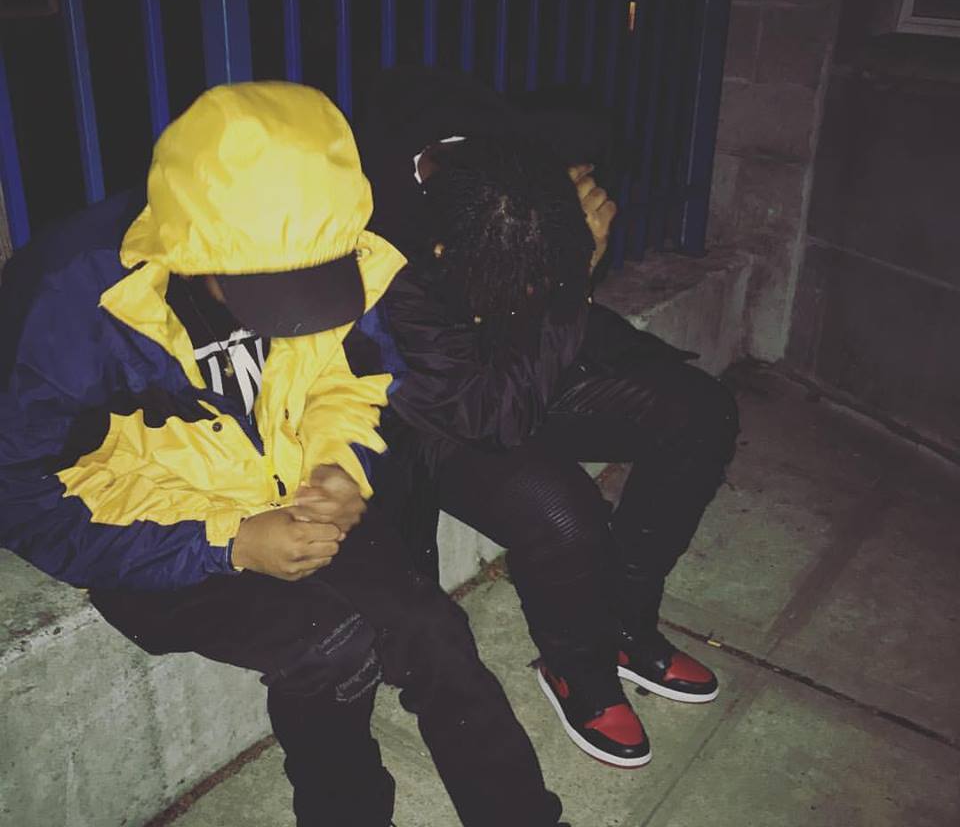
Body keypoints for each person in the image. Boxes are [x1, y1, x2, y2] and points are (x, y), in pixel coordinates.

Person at [0, 82, 569, 827]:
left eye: (313, 283)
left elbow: (352, 378)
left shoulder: (335, 246)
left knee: (433, 630)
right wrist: (228, 544)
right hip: (157, 536)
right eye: (271, 290)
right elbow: (20, 497)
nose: (294, 312)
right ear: (196, 247)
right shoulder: (67, 302)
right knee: (331, 649)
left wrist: (342, 466)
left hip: (292, 497)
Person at [359, 68, 740, 769]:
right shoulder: (383, 245)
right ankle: (577, 668)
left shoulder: (514, 158)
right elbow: (492, 414)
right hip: (435, 407)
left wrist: (566, 253)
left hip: (519, 358)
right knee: (562, 511)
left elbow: (539, 311)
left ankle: (625, 623)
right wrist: (573, 274)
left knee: (699, 412)